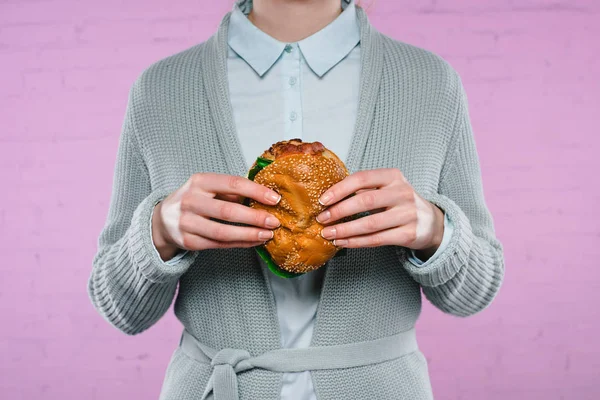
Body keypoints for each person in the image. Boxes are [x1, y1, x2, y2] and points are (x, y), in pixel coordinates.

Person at [88, 0, 505, 398]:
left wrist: (434, 230)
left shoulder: (429, 82)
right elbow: (124, 311)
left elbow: (473, 293)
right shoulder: (161, 90)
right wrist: (159, 232)